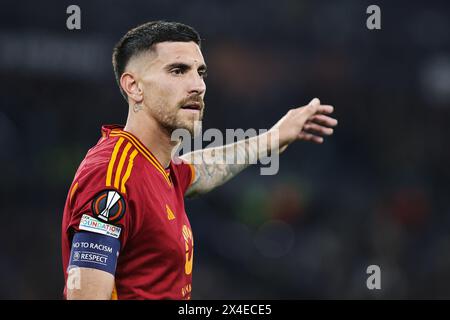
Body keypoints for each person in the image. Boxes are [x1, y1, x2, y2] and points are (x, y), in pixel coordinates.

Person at [61, 20, 338, 300]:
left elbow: (201, 171)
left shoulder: (157, 167)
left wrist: (272, 139)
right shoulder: (112, 177)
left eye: (200, 72)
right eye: (178, 71)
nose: (198, 86)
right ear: (134, 87)